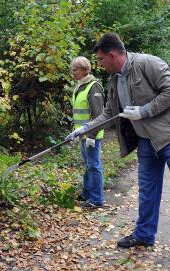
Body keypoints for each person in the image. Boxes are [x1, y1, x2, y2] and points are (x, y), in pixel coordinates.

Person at [66, 33, 170, 265]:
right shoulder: (114, 79)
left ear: (112, 55)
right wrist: (84, 129)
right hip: (146, 141)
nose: (100, 64)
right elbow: (108, 113)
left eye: (101, 59)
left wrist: (144, 111)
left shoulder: (148, 63)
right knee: (147, 191)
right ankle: (144, 235)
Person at [70, 57, 105, 209]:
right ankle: (87, 193)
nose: (73, 73)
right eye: (72, 70)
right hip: (82, 134)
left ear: (85, 69)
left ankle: (96, 199)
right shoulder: (80, 86)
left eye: (75, 70)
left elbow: (98, 115)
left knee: (94, 165)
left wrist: (92, 135)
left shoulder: (93, 87)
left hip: (92, 136)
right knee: (88, 165)